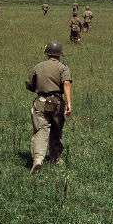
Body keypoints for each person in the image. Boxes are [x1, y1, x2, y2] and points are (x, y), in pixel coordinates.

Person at [25, 41, 73, 173]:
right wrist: (68, 103)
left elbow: (30, 85)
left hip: (41, 101)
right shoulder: (63, 68)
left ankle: (38, 160)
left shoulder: (38, 66)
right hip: (57, 102)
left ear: (47, 53)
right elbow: (67, 84)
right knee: (57, 130)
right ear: (60, 54)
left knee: (41, 130)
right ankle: (55, 158)